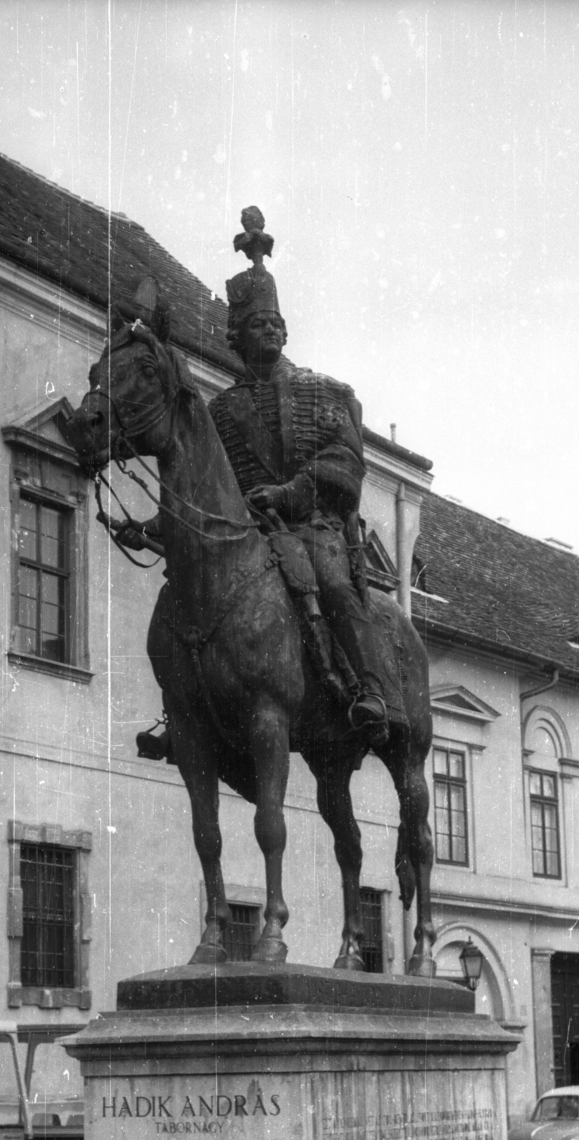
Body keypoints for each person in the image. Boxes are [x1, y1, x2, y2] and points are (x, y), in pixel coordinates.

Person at [206, 207, 399, 741]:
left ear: (286, 331)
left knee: (334, 586)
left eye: (273, 324)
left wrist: (291, 492)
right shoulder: (220, 411)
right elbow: (208, 480)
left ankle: (370, 689)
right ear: (237, 338)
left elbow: (345, 463)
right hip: (248, 532)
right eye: (254, 325)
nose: (266, 331)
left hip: (313, 524)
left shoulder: (323, 391)